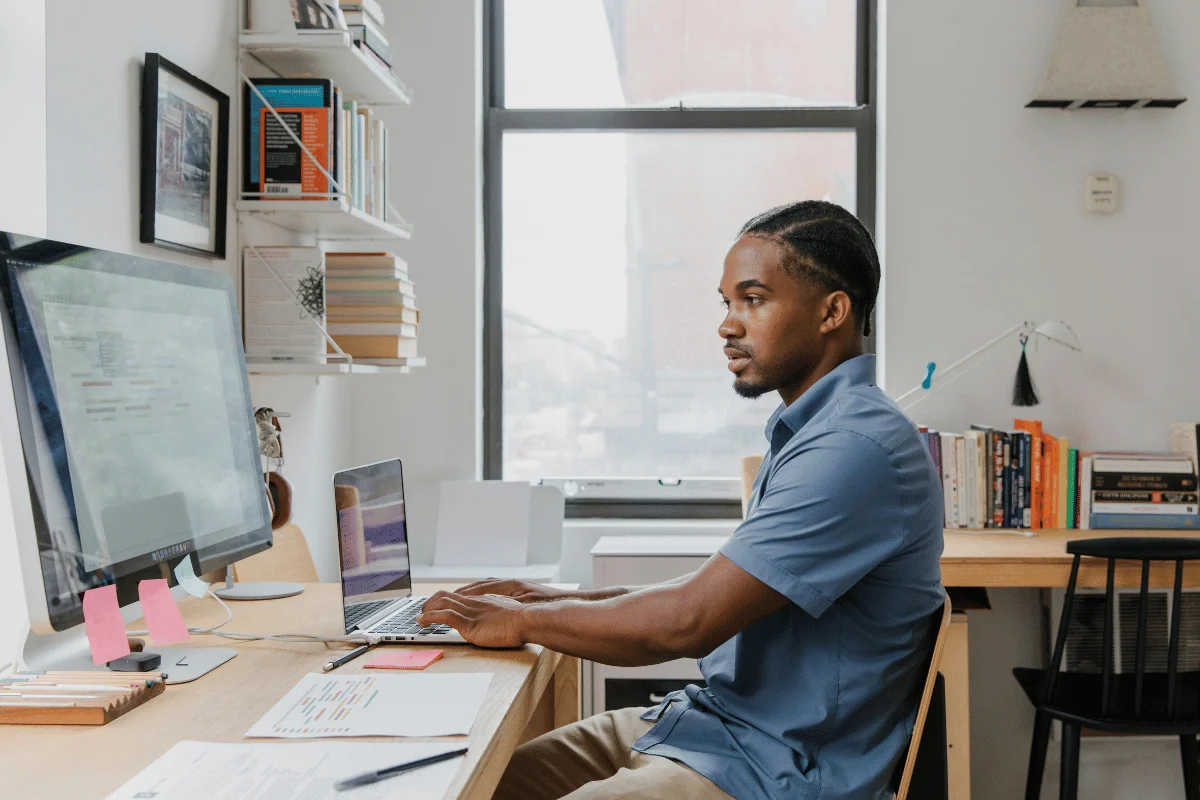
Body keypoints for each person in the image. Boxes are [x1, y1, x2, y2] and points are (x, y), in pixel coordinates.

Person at [418, 200, 945, 800]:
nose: (727, 324)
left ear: (832, 311)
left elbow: (687, 624)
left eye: (754, 299)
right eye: (727, 302)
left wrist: (522, 619)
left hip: (775, 771)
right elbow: (705, 595)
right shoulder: (812, 430)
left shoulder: (855, 449)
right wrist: (551, 597)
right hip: (712, 730)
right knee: (477, 783)